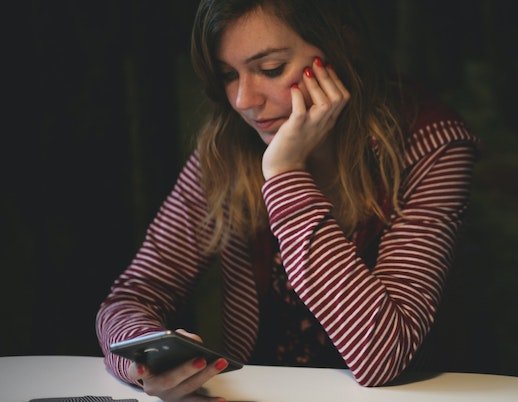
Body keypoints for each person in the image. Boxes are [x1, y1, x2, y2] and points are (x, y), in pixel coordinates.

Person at [96, 0, 479, 399]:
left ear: (340, 46)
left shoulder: (432, 146)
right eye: (228, 74)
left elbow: (381, 355)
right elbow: (133, 294)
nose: (244, 99)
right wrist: (146, 362)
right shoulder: (228, 147)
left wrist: (285, 173)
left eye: (270, 69)